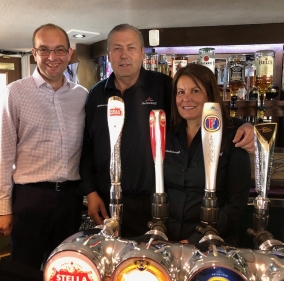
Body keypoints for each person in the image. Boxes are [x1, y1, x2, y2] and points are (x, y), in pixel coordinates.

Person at [80, 23, 253, 238]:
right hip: (106, 203)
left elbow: (197, 108)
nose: (124, 55)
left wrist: (243, 126)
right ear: (109, 54)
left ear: (142, 53)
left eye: (131, 47)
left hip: (152, 206)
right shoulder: (96, 94)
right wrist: (90, 191)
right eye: (117, 48)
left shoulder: (162, 86)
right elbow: (87, 145)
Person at [0, 23, 88, 269]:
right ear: (34, 54)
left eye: (59, 50)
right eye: (44, 50)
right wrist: (2, 207)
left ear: (69, 54)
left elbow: (88, 150)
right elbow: (3, 153)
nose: (52, 57)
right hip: (30, 198)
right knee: (25, 268)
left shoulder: (82, 95)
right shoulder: (15, 93)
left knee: (66, 266)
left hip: (71, 198)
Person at [165, 64, 251, 245]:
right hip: (169, 242)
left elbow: (236, 203)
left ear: (210, 95)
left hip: (212, 244)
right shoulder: (168, 135)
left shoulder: (232, 137)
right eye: (180, 92)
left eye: (195, 91)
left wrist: (195, 240)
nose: (186, 99)